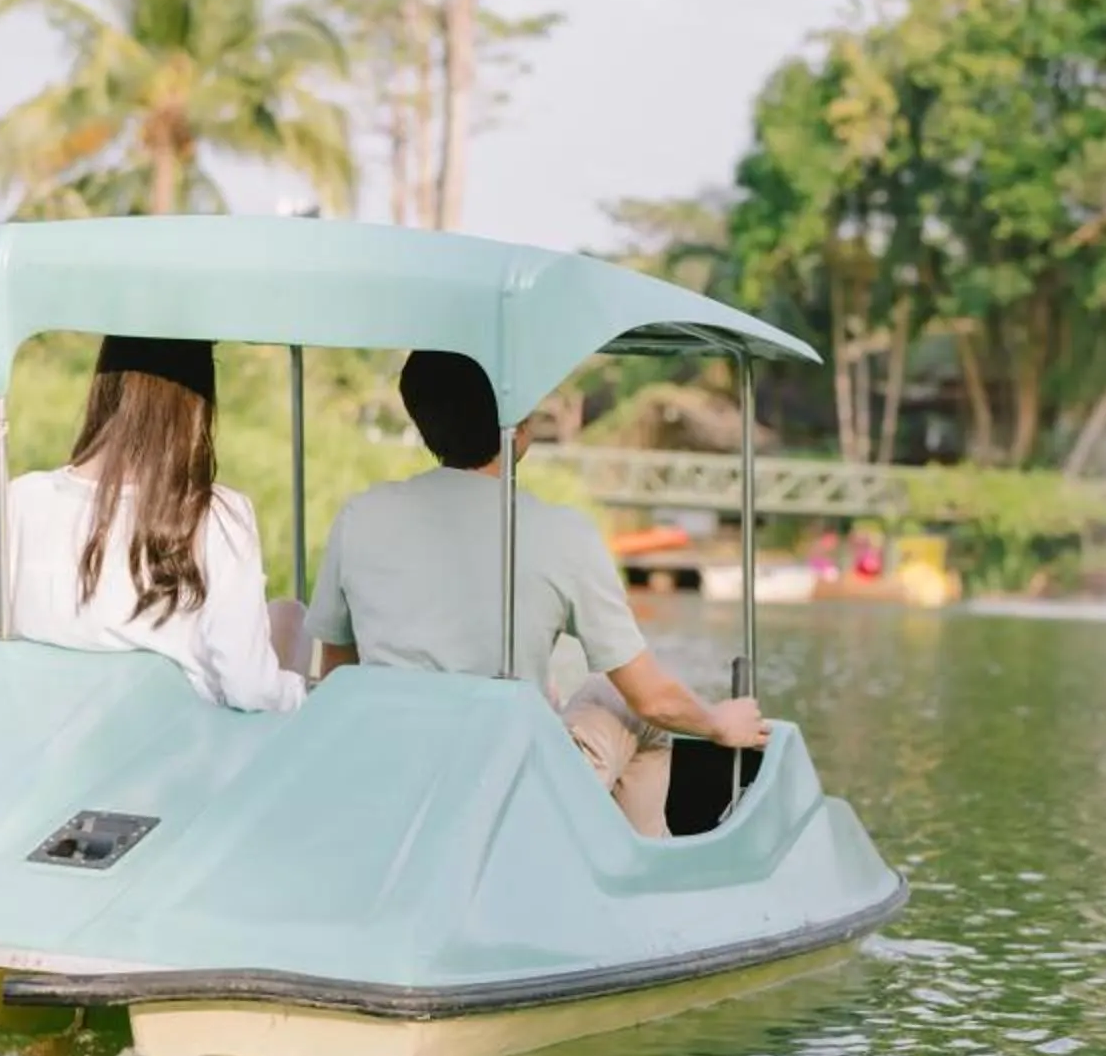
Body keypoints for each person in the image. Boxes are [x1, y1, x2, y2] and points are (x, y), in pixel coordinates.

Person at [308, 350, 767, 837]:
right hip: (511, 793)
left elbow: (338, 672)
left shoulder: (361, 516)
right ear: (519, 425)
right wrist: (720, 723)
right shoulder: (563, 533)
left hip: (401, 782)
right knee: (618, 697)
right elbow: (652, 699)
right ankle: (635, 870)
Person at [0, 335, 305, 713]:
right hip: (175, 752)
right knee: (292, 618)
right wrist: (305, 692)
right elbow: (249, 690)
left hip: (48, 739)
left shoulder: (21, 499)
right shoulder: (216, 515)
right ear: (197, 400)